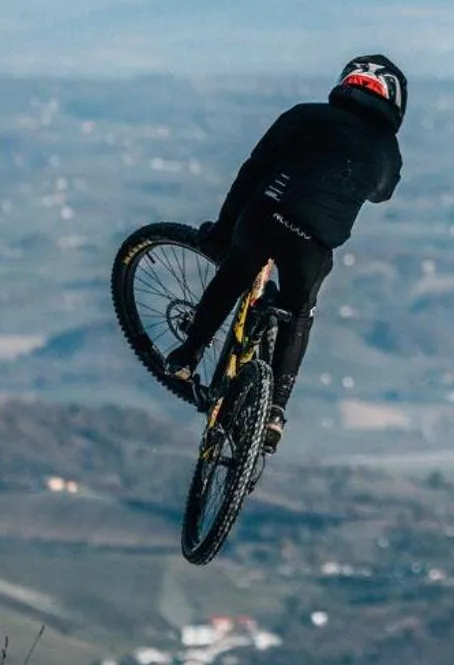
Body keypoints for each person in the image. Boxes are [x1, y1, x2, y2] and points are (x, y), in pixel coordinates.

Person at [164, 54, 405, 452]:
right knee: (299, 313)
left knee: (238, 268)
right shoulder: (388, 152)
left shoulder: (304, 116)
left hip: (265, 215)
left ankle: (187, 355)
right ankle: (275, 411)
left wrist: (222, 232)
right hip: (313, 243)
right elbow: (381, 193)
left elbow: (252, 171)